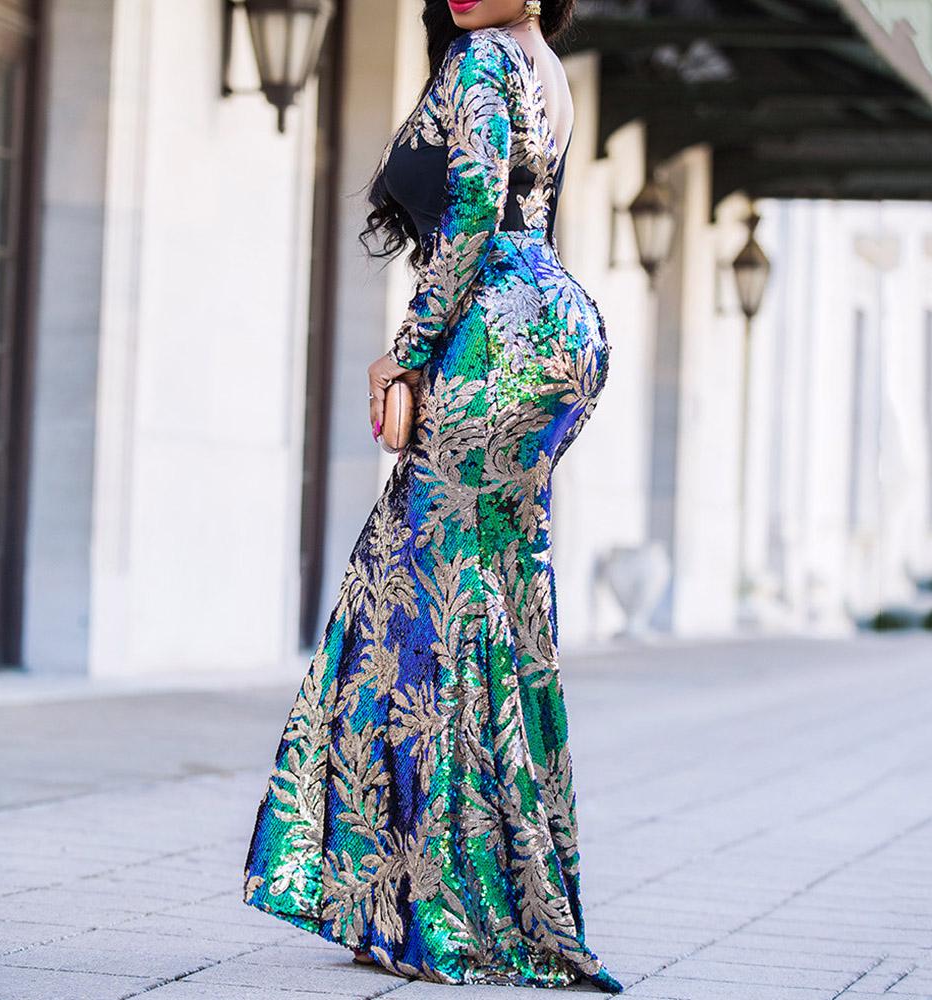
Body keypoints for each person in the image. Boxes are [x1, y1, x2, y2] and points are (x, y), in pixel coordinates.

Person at [243, 0, 621, 990]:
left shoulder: (486, 55)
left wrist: (404, 354)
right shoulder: (549, 67)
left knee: (415, 609)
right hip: (558, 335)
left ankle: (432, 912)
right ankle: (503, 900)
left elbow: (470, 219)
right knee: (497, 612)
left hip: (495, 336)